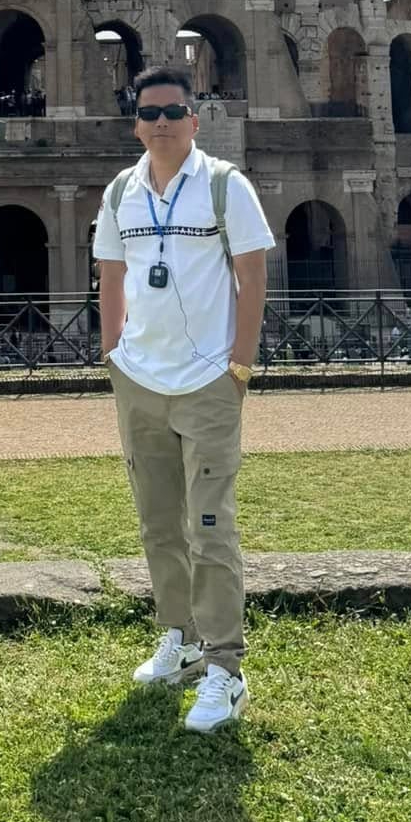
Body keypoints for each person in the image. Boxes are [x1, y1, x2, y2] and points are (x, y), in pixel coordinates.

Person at [93, 63, 274, 733]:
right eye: (150, 113)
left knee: (210, 526)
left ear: (194, 121)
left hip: (206, 381)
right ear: (136, 125)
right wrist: (113, 353)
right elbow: (111, 274)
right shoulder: (122, 191)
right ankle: (182, 637)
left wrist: (239, 367)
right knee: (158, 522)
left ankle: (226, 667)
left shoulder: (226, 186)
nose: (162, 122)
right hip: (140, 378)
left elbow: (252, 276)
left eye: (173, 112)